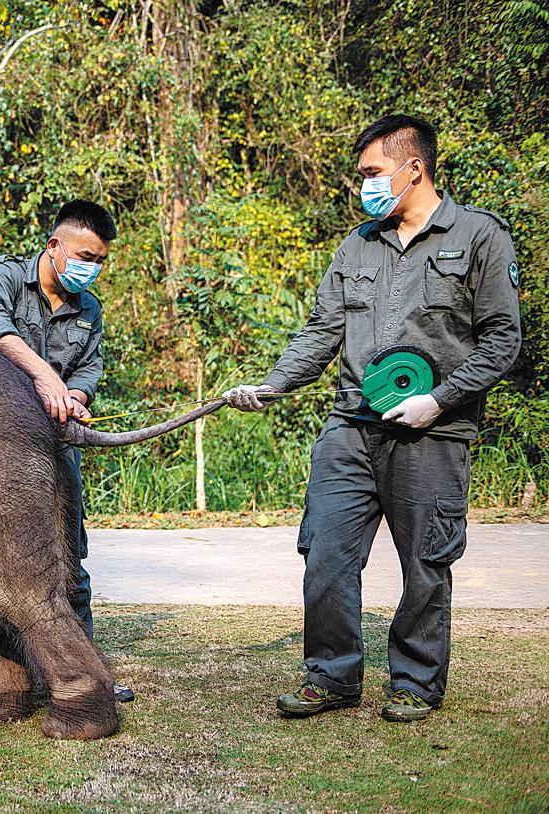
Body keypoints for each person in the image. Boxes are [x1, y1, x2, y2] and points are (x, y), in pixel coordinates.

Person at [223, 116, 521, 722]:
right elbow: (322, 330)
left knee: (425, 565)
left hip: (434, 433)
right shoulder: (357, 245)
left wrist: (439, 399)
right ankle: (331, 676)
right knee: (326, 555)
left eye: (372, 174)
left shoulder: (480, 237)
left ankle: (414, 681)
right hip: (352, 426)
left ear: (414, 169)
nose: (364, 186)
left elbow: (502, 339)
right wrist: (277, 382)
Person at [0, 199, 134, 704]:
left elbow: (90, 368)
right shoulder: (4, 279)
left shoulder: (89, 309)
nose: (92, 268)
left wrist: (76, 398)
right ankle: (8, 674)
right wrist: (46, 380)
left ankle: (78, 668)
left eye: (101, 260)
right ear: (54, 246)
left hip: (56, 446)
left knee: (68, 556)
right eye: (85, 255)